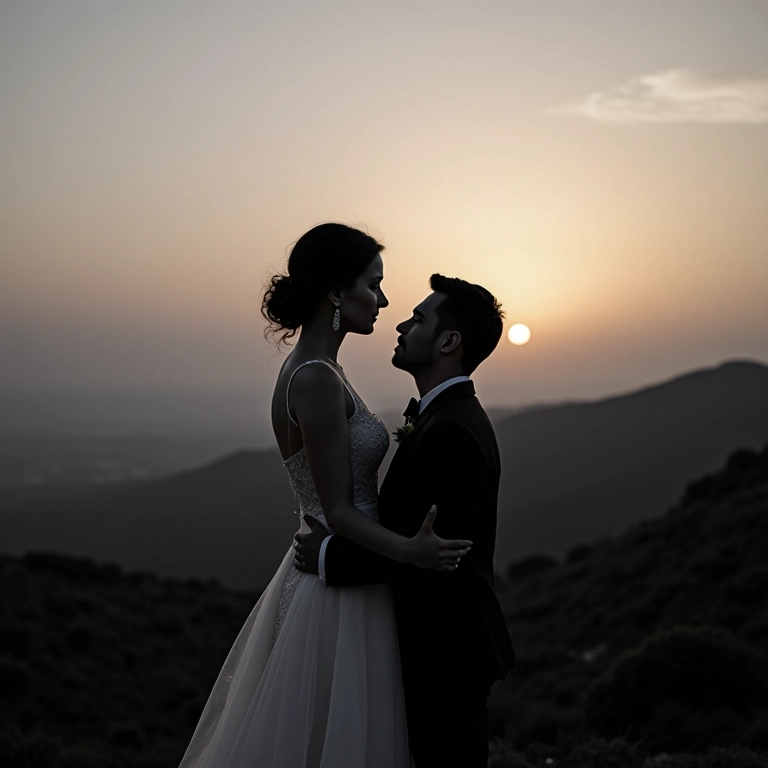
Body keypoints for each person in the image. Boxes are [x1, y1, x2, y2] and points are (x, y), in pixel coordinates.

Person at [178, 224, 471, 768]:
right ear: (337, 291)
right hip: (336, 588)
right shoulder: (314, 378)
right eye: (373, 285)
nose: (384, 301)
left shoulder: (324, 370)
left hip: (345, 570)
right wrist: (412, 552)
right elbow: (336, 509)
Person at [295, 274, 517, 767]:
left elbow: (429, 552)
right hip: (437, 644)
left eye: (418, 319)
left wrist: (328, 554)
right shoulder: (447, 418)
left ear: (448, 341)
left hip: (445, 649)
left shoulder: (452, 431)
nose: (400, 324)